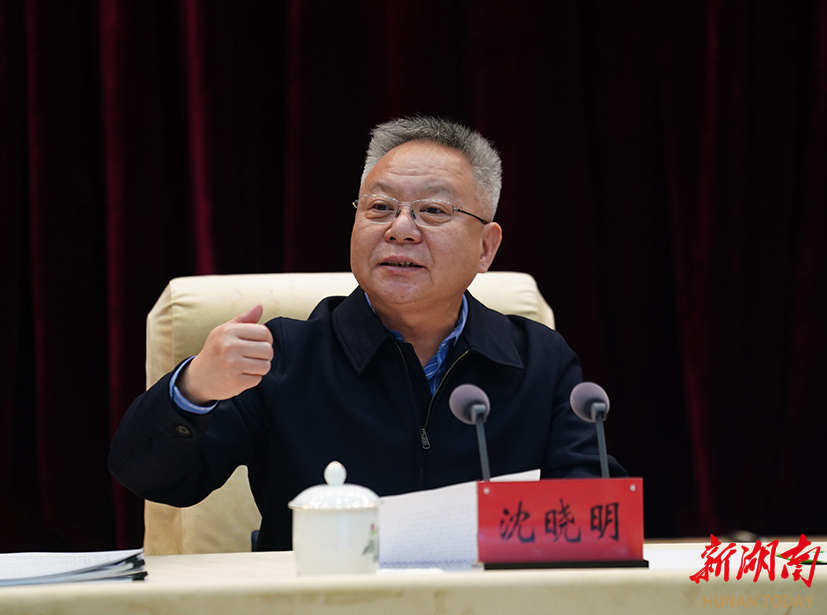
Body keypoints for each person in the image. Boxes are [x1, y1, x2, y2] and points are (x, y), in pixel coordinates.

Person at [109, 116, 624, 552]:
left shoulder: (538, 360)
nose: (400, 228)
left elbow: (594, 519)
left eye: (433, 211)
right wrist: (195, 389)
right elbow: (151, 478)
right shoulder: (283, 357)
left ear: (486, 248)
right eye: (379, 208)